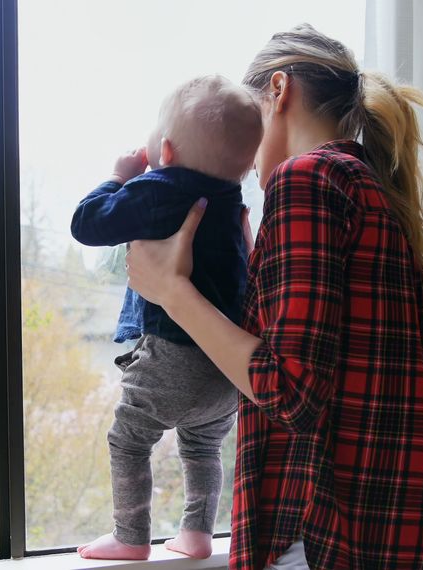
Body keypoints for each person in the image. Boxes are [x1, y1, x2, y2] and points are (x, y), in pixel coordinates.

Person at [124, 24, 423, 569]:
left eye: (248, 117)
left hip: (321, 538)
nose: (246, 156)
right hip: (386, 534)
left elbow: (290, 392)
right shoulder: (365, 186)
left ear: (278, 90)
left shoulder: (308, 179)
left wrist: (170, 290)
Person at [70, 75, 264, 561]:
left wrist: (119, 177)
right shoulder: (229, 201)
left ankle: (130, 536)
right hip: (226, 366)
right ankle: (197, 533)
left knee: (129, 438)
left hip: (172, 353)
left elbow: (88, 224)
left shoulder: (162, 188)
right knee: (202, 447)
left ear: (168, 150)